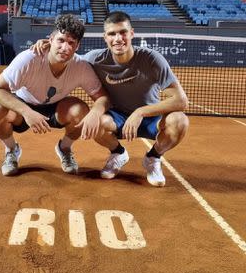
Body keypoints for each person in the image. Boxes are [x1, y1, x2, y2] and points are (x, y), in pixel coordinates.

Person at [33, 11, 189, 187]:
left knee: (180, 121)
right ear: (105, 37)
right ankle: (118, 153)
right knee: (93, 120)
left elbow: (181, 101)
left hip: (149, 117)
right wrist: (48, 44)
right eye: (112, 34)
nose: (118, 38)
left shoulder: (152, 59)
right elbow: (68, 57)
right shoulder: (95, 59)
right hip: (117, 118)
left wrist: (140, 112)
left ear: (131, 34)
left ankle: (153, 158)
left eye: (122, 32)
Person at [0, 14, 110, 177]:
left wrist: (95, 113)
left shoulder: (81, 67)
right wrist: (27, 112)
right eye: (61, 40)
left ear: (77, 46)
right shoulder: (29, 59)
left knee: (81, 110)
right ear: (50, 39)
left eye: (71, 43)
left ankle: (64, 148)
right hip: (23, 104)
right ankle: (11, 150)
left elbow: (103, 98)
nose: (65, 47)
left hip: (56, 107)